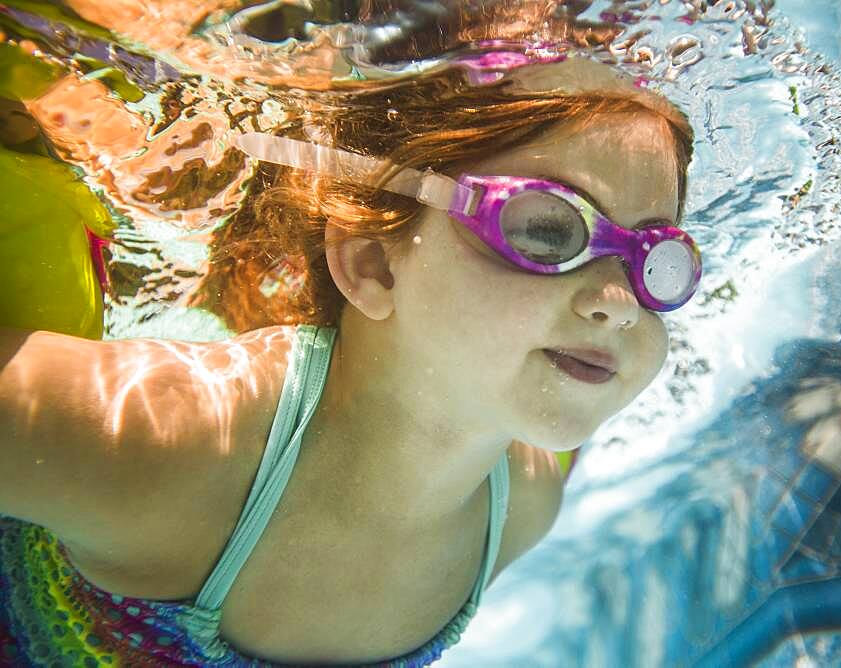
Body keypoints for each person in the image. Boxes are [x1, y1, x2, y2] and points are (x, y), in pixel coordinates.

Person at [0, 49, 698, 666]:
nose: (618, 300)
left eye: (657, 260)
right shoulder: (172, 448)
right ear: (374, 266)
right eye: (548, 231)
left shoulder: (524, 511)